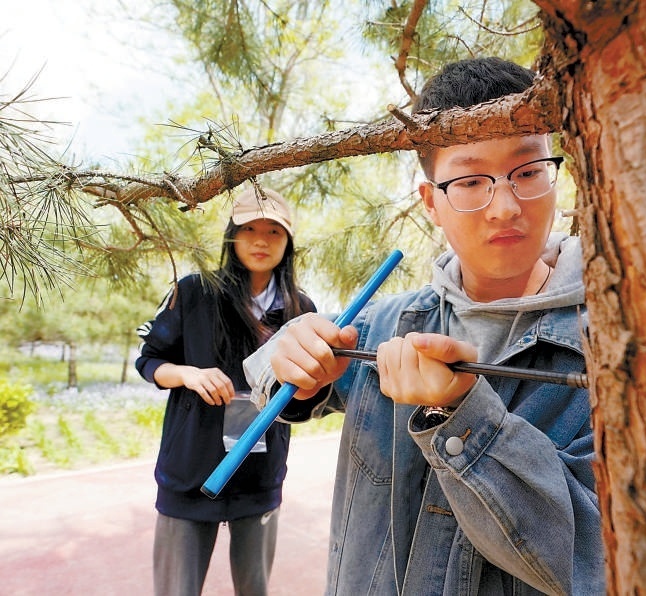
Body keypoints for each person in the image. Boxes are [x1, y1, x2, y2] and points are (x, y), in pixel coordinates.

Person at [245, 57, 604, 594]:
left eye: (527, 171)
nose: (504, 207)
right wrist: (289, 360)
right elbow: (264, 372)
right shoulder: (388, 321)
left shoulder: (611, 349)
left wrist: (463, 415)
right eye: (470, 180)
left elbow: (590, 559)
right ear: (431, 201)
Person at [135, 186, 317, 596]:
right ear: (231, 236)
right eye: (248, 228)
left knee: (255, 588)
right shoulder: (194, 292)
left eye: (274, 231)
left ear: (288, 242)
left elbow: (309, 396)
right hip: (190, 469)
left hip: (259, 476)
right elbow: (149, 361)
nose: (259, 240)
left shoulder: (300, 310)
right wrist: (188, 375)